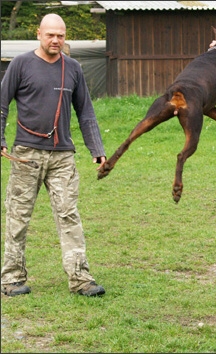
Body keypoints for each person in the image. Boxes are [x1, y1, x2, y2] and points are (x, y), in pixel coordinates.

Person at [1, 14, 107, 297]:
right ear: (39, 34)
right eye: (50, 35)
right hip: (26, 155)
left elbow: (85, 112)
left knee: (69, 216)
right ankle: (11, 279)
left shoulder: (72, 68)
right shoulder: (20, 64)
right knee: (18, 217)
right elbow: (2, 104)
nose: (56, 40)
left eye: (60, 35)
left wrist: (96, 149)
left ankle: (80, 279)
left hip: (63, 157)